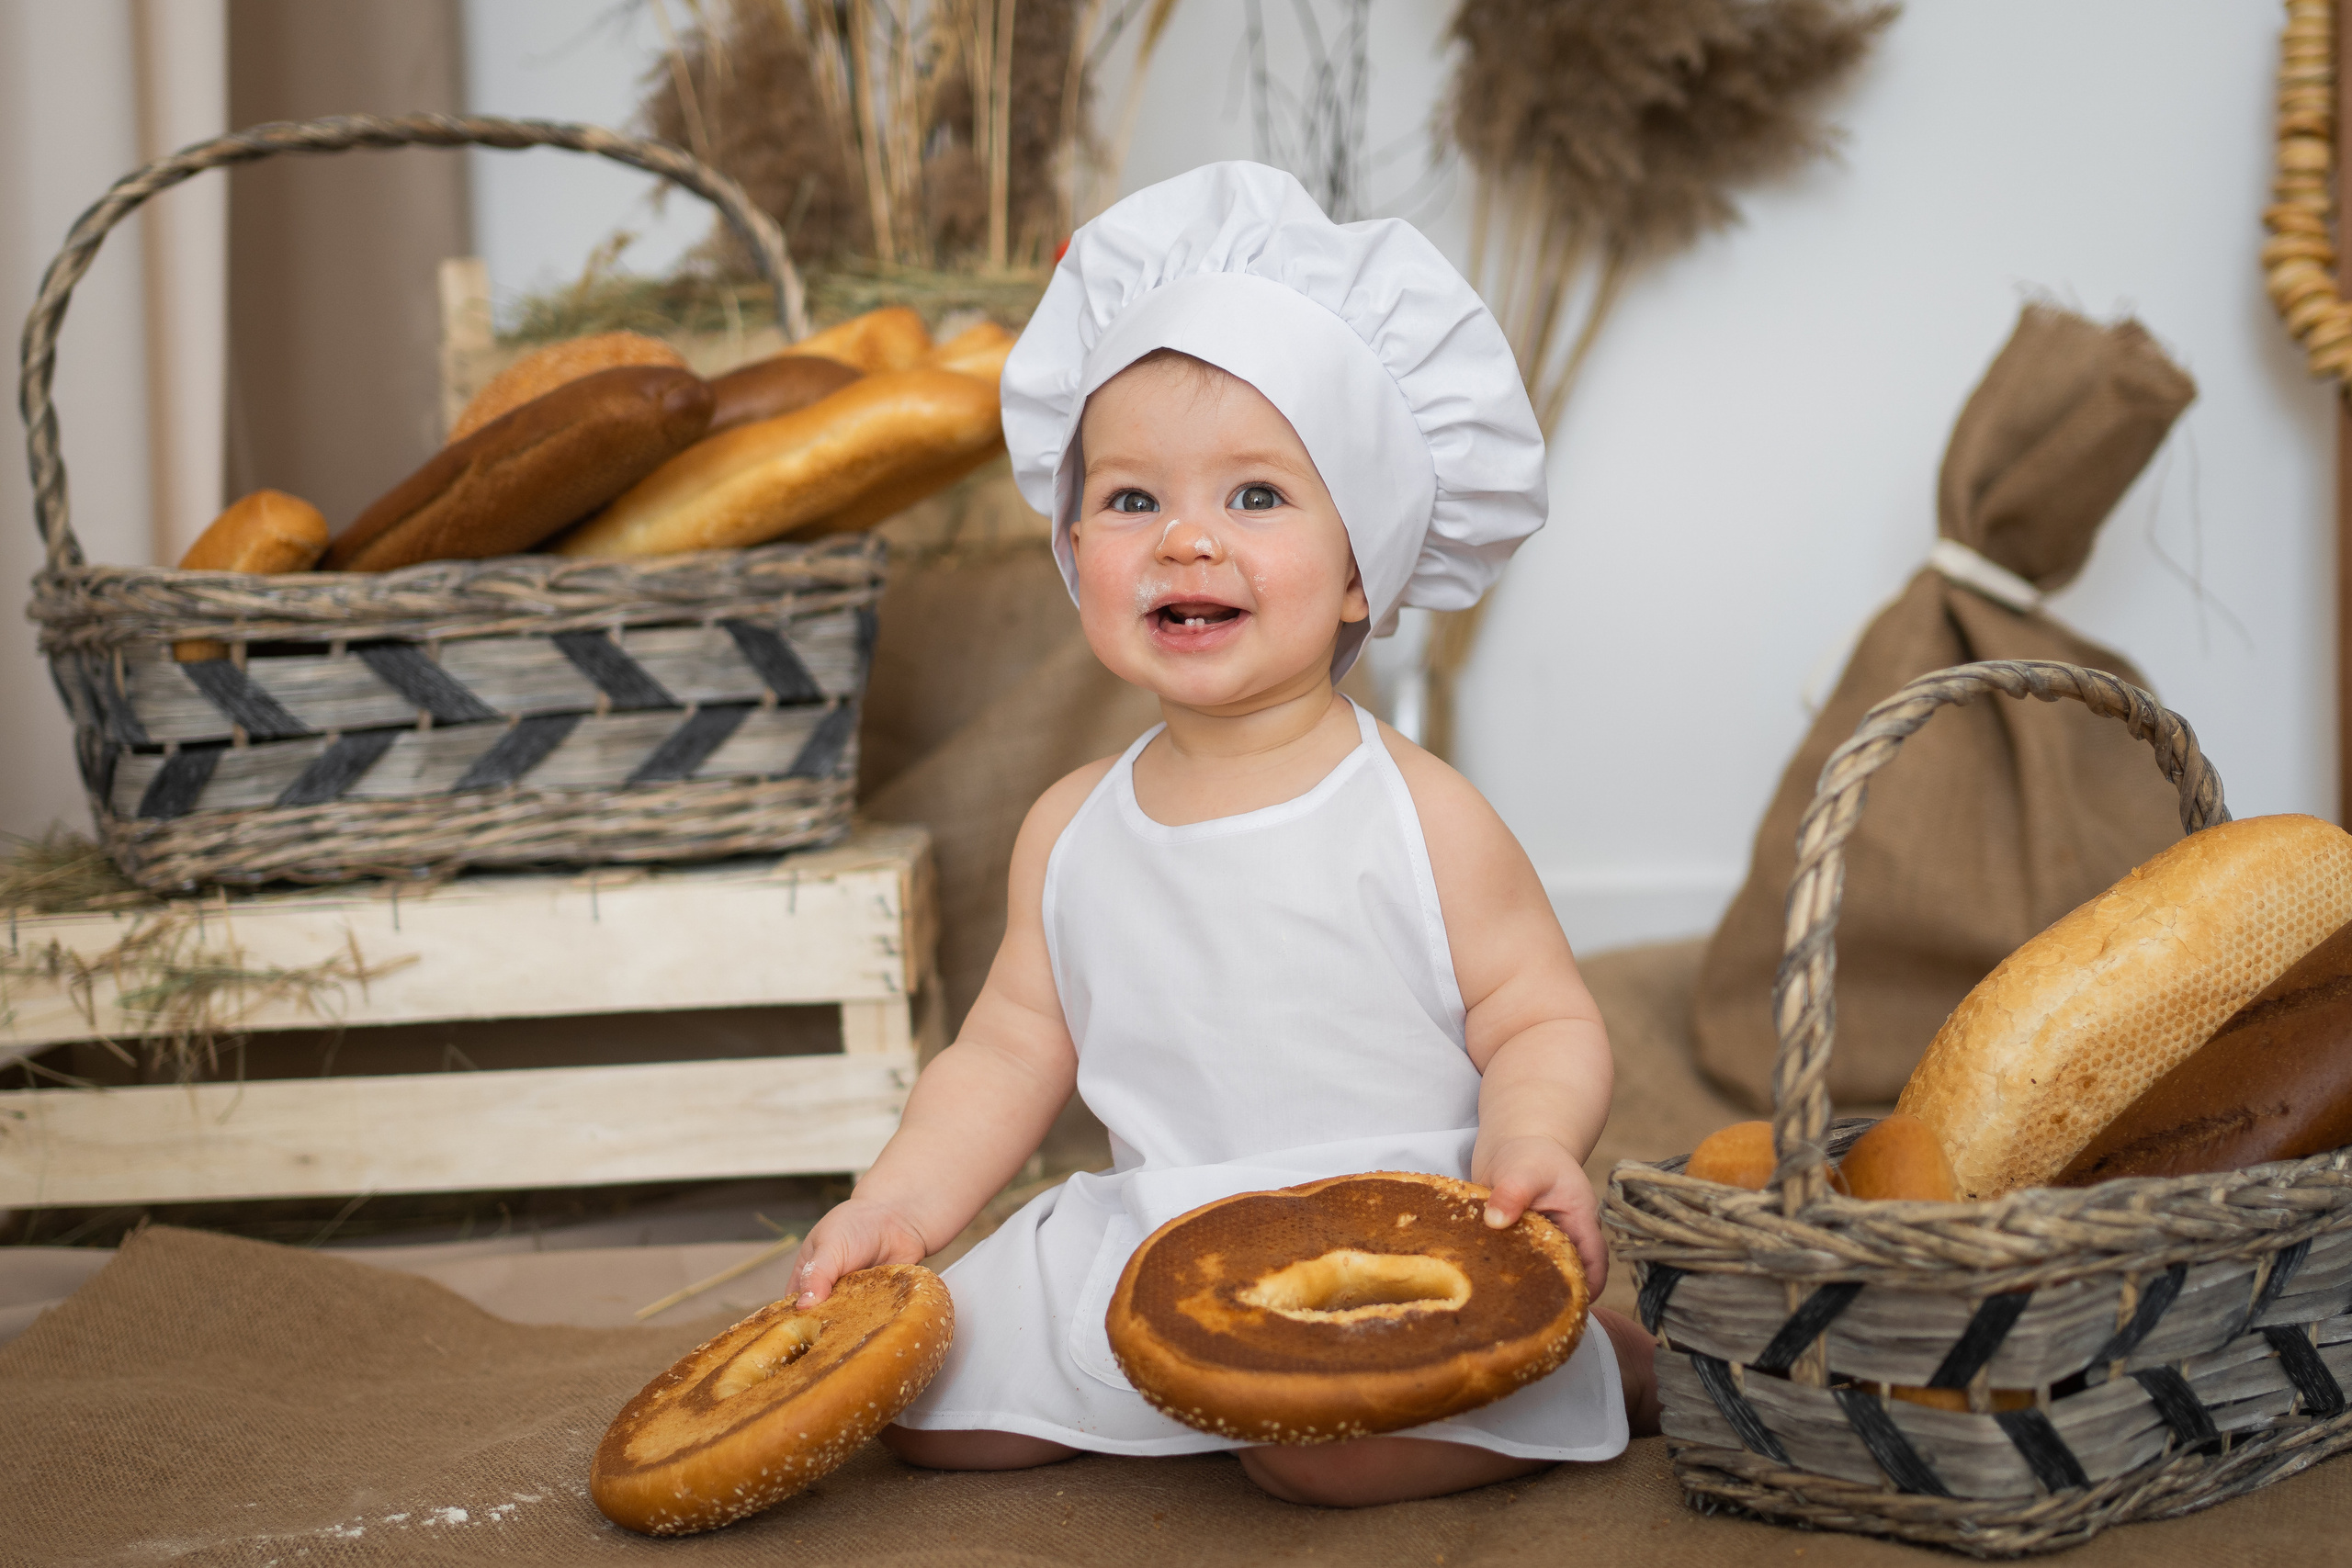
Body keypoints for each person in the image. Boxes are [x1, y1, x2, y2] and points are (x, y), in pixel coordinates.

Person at [790, 161, 1659, 1506]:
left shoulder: (1418, 810)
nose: (1188, 540)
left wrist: (1534, 1143)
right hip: (1164, 1226)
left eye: (1256, 497)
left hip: (1394, 1235)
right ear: (1079, 549)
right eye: (1134, 501)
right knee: (926, 1403)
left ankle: (1597, 1359)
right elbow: (1011, 1049)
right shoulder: (1071, 826)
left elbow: (1539, 1018)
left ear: (1363, 559)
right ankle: (1159, 1378)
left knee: (1327, 1455)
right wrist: (903, 1207)